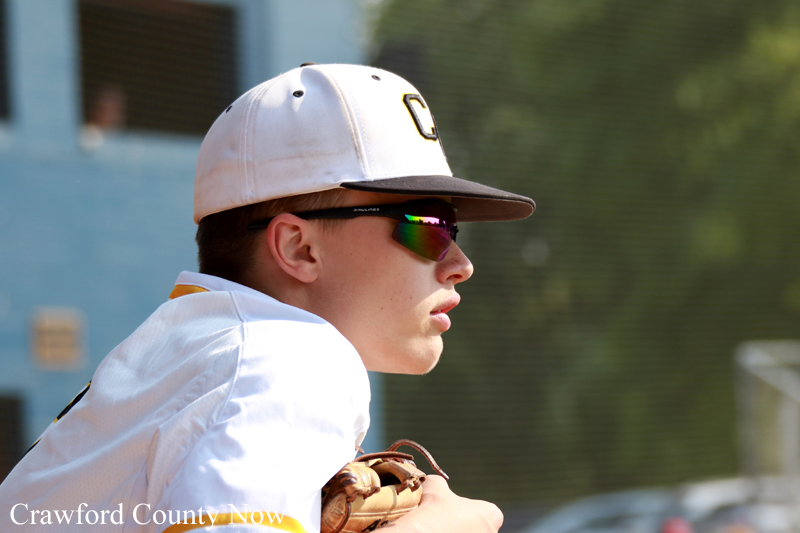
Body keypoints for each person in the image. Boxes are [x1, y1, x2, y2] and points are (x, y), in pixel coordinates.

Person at [0, 63, 534, 532]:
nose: (460, 264)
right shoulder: (284, 358)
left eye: (451, 230)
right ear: (299, 247)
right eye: (427, 226)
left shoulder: (188, 351)